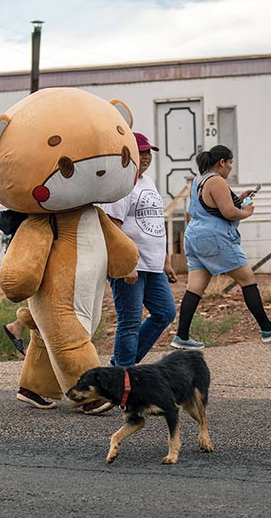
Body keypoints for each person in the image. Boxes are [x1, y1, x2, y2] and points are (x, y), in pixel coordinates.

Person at [174, 145, 271, 348]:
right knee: (247, 279)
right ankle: (267, 328)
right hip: (215, 239)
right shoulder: (217, 180)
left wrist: (240, 197)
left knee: (194, 288)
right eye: (230, 164)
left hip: (195, 237)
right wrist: (246, 212)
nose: (230, 168)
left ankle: (181, 337)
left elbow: (212, 205)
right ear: (222, 162)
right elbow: (228, 212)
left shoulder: (199, 180)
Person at [99, 132, 178, 366]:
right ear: (128, 154)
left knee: (165, 312)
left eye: (147, 152)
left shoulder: (147, 181)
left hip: (153, 265)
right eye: (140, 152)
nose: (145, 156)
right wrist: (125, 263)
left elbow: (155, 223)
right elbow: (112, 228)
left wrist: (165, 261)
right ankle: (123, 374)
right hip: (131, 265)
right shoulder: (120, 184)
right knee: (130, 321)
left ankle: (122, 365)